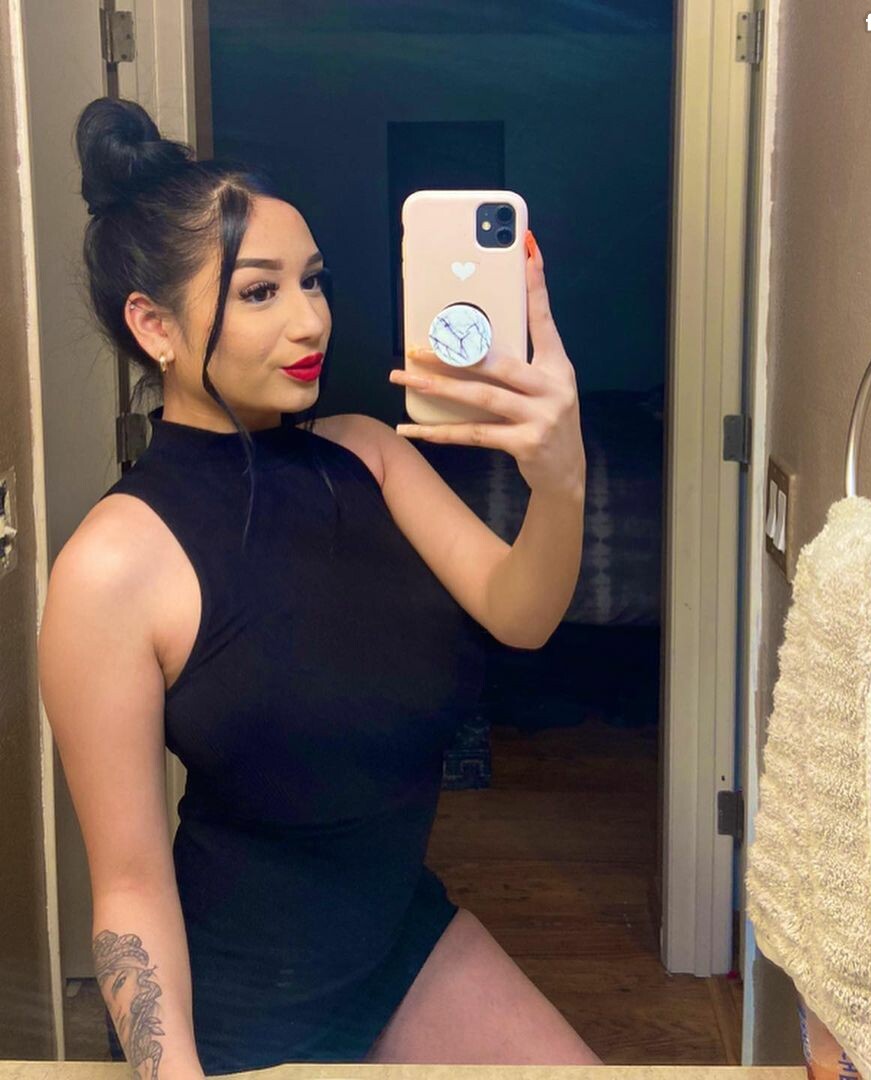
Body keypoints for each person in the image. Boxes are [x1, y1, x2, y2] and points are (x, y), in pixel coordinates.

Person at [37, 97, 594, 1078]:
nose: (312, 319)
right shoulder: (111, 567)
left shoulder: (367, 456)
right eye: (260, 291)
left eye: (315, 281)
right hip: (240, 1008)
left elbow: (522, 614)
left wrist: (562, 477)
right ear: (153, 325)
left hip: (397, 942)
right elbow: (128, 889)